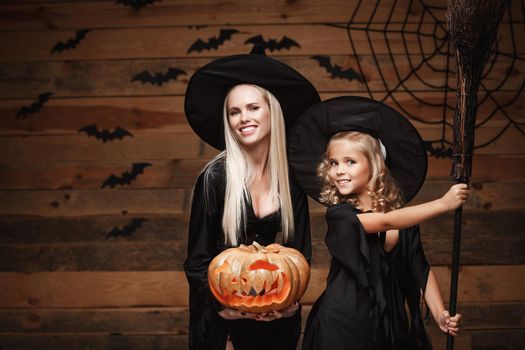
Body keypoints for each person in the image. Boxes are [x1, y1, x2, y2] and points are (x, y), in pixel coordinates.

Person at [287, 96, 466, 349]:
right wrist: (443, 204)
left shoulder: (404, 218)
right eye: (333, 163)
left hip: (387, 324)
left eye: (350, 162)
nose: (339, 170)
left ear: (375, 166)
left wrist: (439, 314)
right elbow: (384, 222)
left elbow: (420, 270)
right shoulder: (340, 215)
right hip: (342, 324)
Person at [183, 49, 320, 350]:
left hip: (276, 321)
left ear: (273, 111)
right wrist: (224, 307)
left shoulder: (291, 180)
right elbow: (196, 261)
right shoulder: (215, 177)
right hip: (222, 321)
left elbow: (300, 253)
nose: (243, 118)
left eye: (253, 108)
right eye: (234, 111)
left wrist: (289, 303)